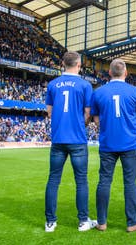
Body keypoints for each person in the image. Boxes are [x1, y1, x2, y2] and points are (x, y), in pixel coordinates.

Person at [90, 59, 136, 232]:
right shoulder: (135, 91)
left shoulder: (98, 92)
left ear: (109, 73)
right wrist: (130, 128)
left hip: (107, 143)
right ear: (126, 73)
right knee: (130, 182)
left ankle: (102, 222)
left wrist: (107, 128)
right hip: (129, 143)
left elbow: (96, 119)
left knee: (104, 181)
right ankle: (132, 223)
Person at [45, 51, 95, 232]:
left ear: (63, 64)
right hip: (77, 139)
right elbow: (87, 114)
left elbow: (49, 112)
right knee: (81, 181)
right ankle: (83, 221)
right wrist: (80, 123)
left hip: (58, 139)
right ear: (79, 64)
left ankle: (50, 222)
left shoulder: (52, 84)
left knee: (53, 180)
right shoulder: (85, 85)